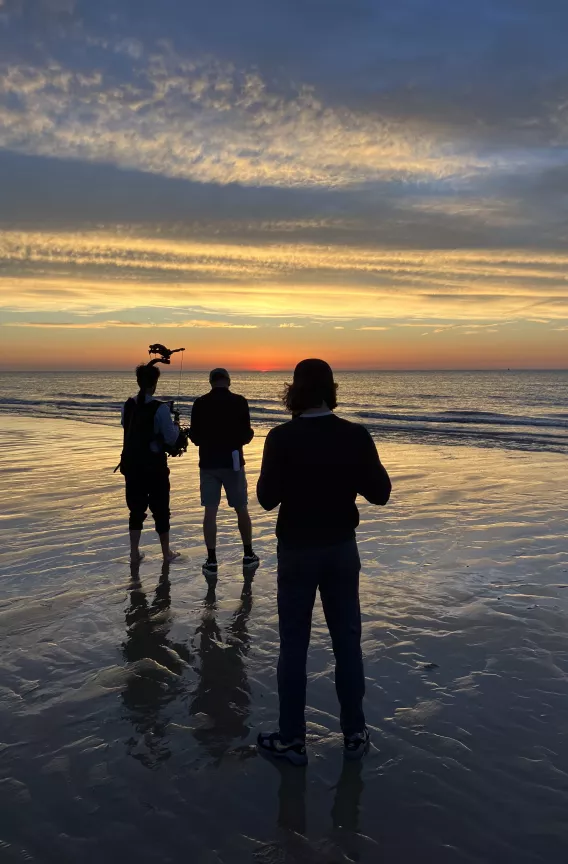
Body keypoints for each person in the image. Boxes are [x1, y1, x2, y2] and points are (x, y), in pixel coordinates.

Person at [256, 359, 391, 765]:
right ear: (331, 389)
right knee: (347, 642)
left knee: (293, 645)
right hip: (340, 549)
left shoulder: (281, 438)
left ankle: (292, 740)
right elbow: (380, 493)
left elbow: (265, 498)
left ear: (293, 392)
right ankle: (354, 733)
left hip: (296, 550)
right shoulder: (354, 435)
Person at [189, 368, 259, 577]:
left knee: (210, 512)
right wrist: (245, 437)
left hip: (209, 463)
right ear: (228, 381)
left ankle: (211, 560)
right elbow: (246, 434)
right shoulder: (239, 401)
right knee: (241, 508)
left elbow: (195, 436)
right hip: (233, 462)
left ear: (211, 382)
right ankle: (248, 554)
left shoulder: (200, 403)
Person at [120, 363, 181, 564]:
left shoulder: (128, 405)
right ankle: (166, 553)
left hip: (131, 465)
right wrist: (176, 427)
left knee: (136, 509)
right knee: (161, 509)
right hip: (154, 467)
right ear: (154, 384)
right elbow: (171, 439)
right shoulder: (160, 408)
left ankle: (134, 553)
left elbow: (125, 427)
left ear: (138, 381)